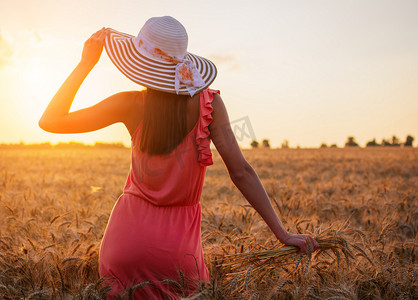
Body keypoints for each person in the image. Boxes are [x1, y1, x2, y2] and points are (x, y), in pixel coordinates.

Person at [39, 16, 319, 299]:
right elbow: (241, 172)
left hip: (125, 244)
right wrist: (283, 234)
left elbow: (50, 121)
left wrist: (86, 63)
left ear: (139, 62)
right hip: (179, 254)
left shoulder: (129, 103)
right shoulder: (210, 103)